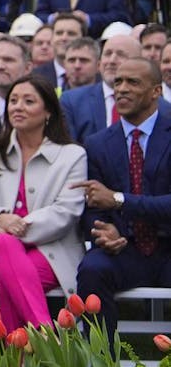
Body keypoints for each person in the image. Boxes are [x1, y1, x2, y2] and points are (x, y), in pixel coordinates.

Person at [0, 75, 85, 336]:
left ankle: (17, 357)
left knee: (12, 281)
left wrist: (9, 227)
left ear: (48, 111)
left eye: (29, 101)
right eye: (13, 100)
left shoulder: (72, 155)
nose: (17, 106)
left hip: (50, 249)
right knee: (3, 246)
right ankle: (47, 338)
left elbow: (66, 212)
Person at [75, 58, 171, 343]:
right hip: (124, 249)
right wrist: (103, 231)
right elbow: (92, 207)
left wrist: (118, 200)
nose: (122, 89)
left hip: (168, 247)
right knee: (92, 269)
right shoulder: (98, 143)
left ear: (156, 91)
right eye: (118, 82)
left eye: (133, 82)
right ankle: (101, 358)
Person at [60, 35, 153, 145]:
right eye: (107, 54)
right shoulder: (72, 102)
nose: (112, 61)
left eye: (121, 55)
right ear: (99, 63)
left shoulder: (157, 105)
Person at [32, 13, 86, 90]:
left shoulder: (94, 77)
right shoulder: (35, 76)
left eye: (71, 34)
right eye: (59, 33)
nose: (64, 38)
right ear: (52, 38)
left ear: (83, 39)